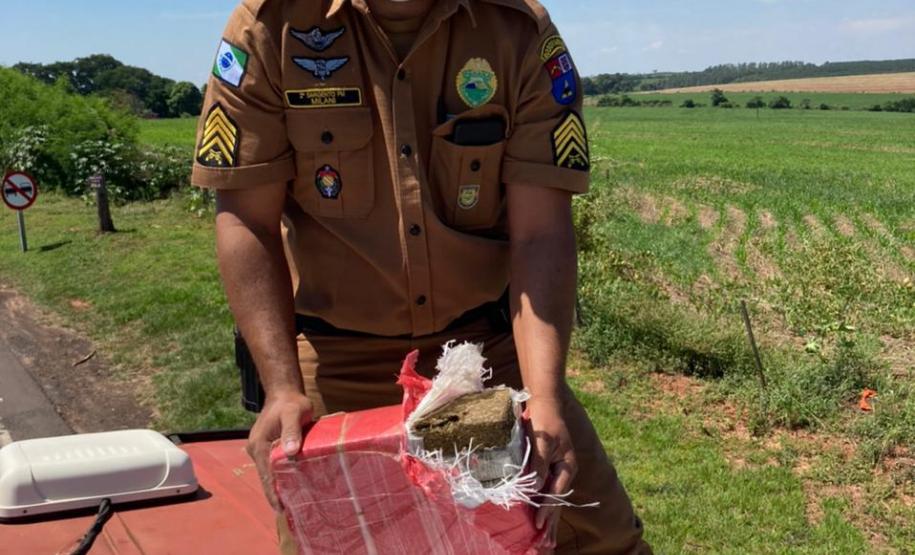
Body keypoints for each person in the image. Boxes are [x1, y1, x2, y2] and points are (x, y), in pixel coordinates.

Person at [192, 0, 651, 552]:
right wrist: (282, 389)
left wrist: (545, 397)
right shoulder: (272, 27)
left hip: (485, 356)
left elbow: (540, 234)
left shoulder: (514, 33)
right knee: (341, 539)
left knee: (596, 537)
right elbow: (247, 218)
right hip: (339, 363)